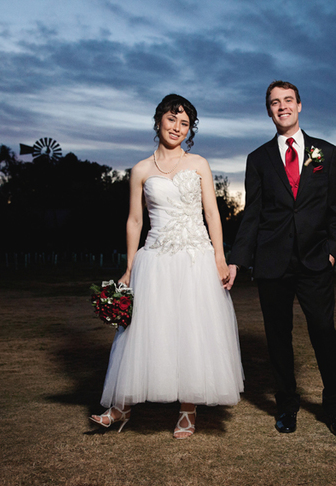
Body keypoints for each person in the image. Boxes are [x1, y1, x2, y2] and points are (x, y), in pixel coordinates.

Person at [91, 94, 244, 439]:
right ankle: (121, 407)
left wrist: (219, 256)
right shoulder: (141, 170)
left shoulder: (199, 164)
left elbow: (211, 214)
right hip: (156, 257)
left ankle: (188, 413)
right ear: (159, 120)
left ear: (190, 130)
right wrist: (130, 267)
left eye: (185, 123)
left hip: (195, 257)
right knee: (145, 331)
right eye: (172, 120)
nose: (177, 128)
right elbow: (134, 220)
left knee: (191, 330)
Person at [226, 81, 336, 437]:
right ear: (269, 111)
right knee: (278, 337)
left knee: (324, 332)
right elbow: (252, 215)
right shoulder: (258, 158)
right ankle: (286, 407)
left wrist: (333, 252)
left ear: (299, 106)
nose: (282, 107)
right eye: (274, 102)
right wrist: (237, 260)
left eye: (287, 100)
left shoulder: (326, 153)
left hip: (315, 261)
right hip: (272, 262)